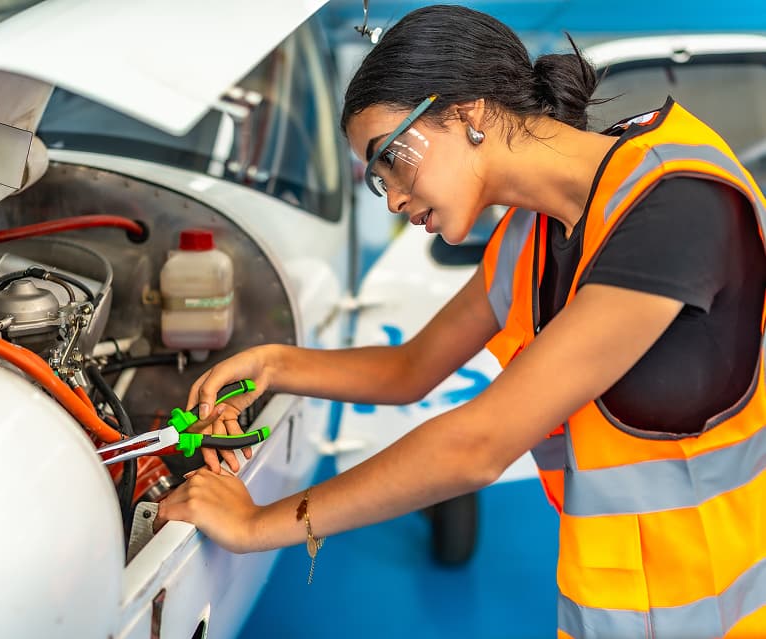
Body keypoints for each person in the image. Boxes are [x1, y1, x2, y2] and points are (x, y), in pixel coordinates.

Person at [157, 5, 766, 637]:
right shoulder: (529, 238)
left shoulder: (676, 203)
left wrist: (260, 524)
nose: (392, 197)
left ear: (467, 113)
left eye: (390, 158)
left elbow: (478, 445)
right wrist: (274, 365)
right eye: (375, 180)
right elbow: (411, 369)